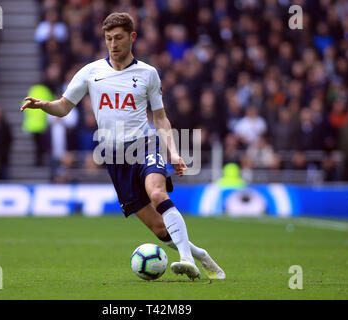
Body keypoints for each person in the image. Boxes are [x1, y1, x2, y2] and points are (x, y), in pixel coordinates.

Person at [21, 12, 225, 281]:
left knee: (157, 193)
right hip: (114, 156)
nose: (113, 44)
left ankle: (186, 259)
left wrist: (173, 152)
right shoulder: (91, 72)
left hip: (144, 145)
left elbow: (160, 117)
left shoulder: (147, 74)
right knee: (159, 229)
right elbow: (63, 106)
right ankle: (200, 254)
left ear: (132, 37)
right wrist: (43, 105)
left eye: (118, 38)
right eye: (108, 39)